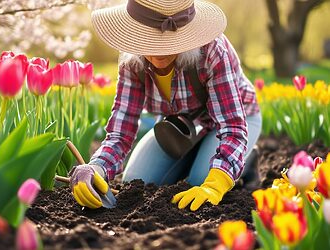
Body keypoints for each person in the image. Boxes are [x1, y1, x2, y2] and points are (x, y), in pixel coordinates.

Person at [69, 0, 261, 211]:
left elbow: (233, 128)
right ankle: (200, 155)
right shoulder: (132, 60)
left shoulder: (212, 51)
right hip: (180, 126)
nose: (158, 51)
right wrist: (97, 167)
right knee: (136, 181)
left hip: (235, 119)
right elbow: (121, 131)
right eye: (149, 40)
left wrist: (215, 184)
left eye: (168, 42)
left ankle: (246, 157)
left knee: (201, 180)